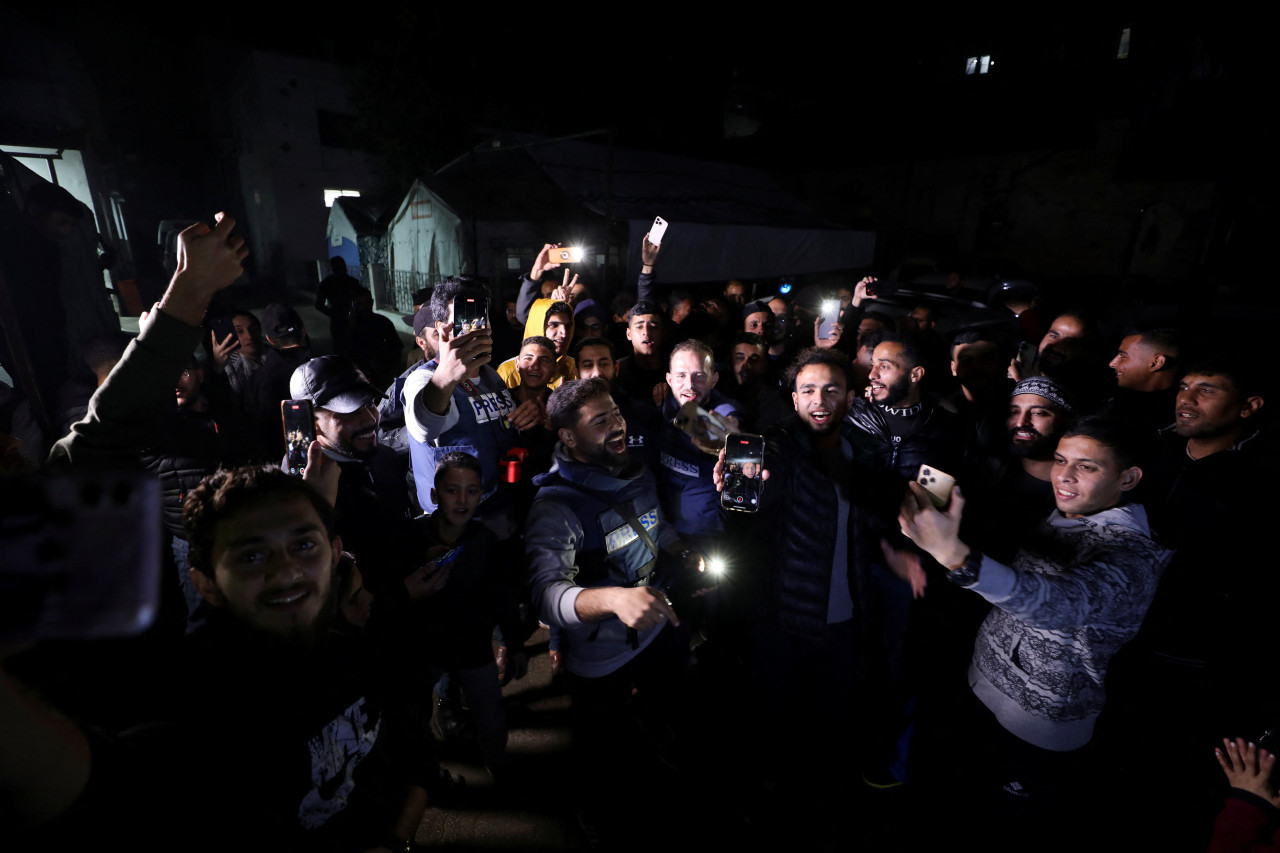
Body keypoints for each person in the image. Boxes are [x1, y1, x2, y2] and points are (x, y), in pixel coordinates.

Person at [899, 415, 1171, 834]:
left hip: (1034, 731)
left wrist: (955, 555)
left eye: (1087, 466)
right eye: (1061, 461)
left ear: (1129, 478)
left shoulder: (1132, 556)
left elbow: (1058, 604)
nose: (1064, 476)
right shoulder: (1071, 514)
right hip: (982, 690)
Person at [401, 276, 542, 530]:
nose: (477, 328)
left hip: (501, 513)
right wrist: (445, 378)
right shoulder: (422, 379)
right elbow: (424, 428)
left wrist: (528, 416)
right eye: (465, 320)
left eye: (481, 317)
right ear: (443, 328)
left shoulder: (491, 376)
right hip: (455, 528)